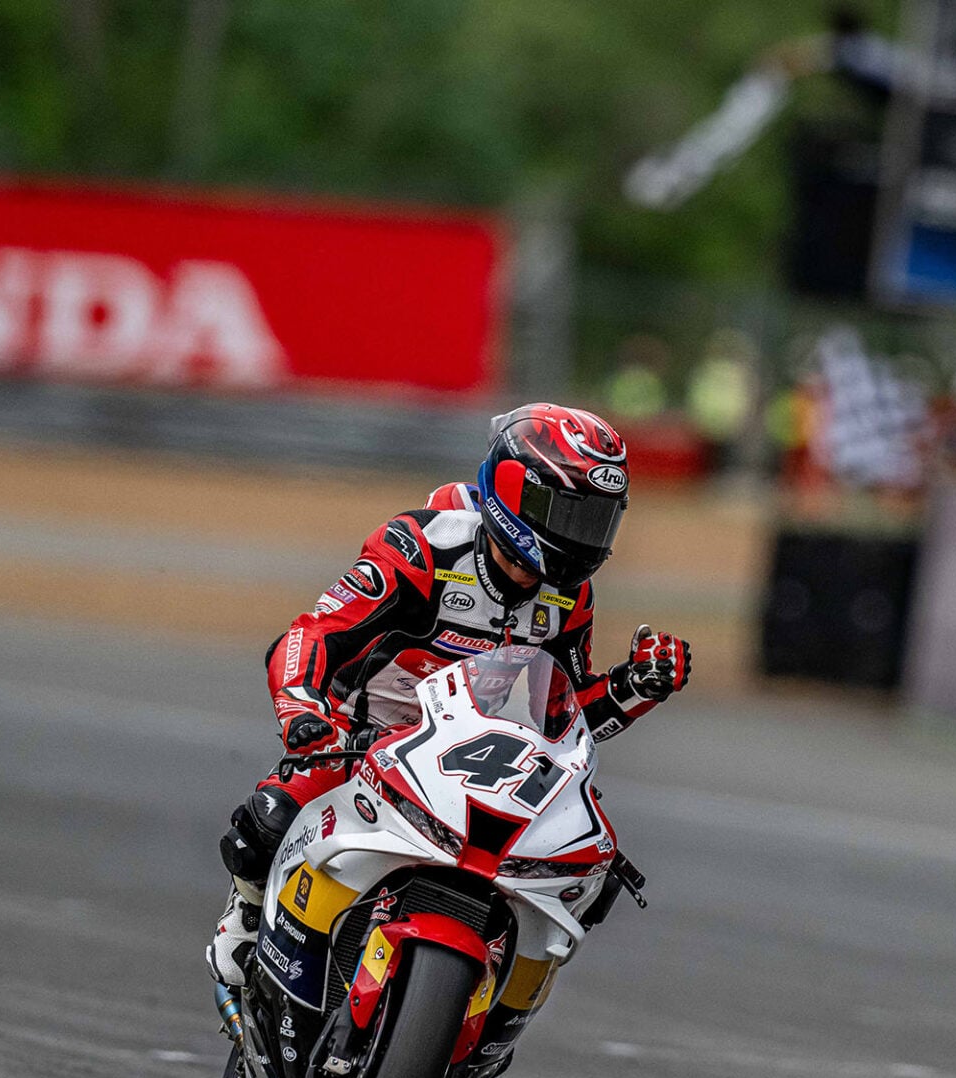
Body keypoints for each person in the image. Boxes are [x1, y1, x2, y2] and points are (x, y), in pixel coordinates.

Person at [206, 404, 694, 987]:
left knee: (585, 878)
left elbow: (565, 717)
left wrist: (632, 688)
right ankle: (248, 914)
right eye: (568, 514)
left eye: (597, 520)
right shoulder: (423, 548)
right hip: (364, 742)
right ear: (514, 494)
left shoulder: (569, 599)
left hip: (475, 758)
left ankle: (496, 1020)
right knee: (268, 819)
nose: (584, 537)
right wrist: (303, 711)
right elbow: (313, 635)